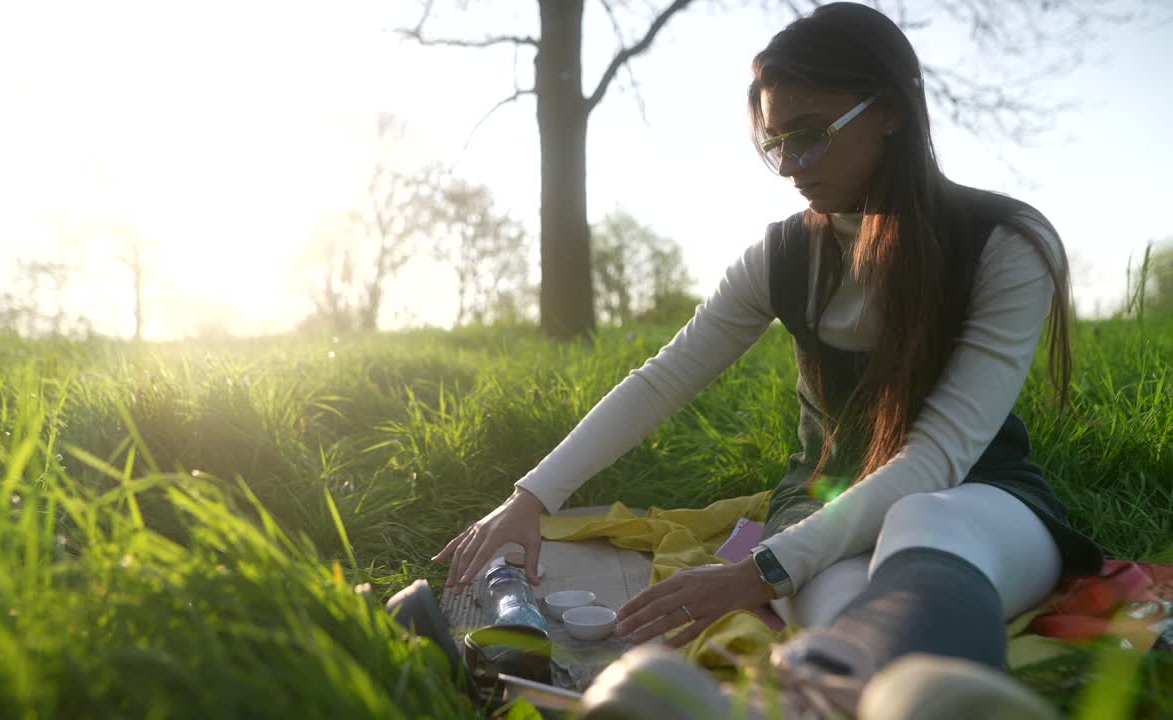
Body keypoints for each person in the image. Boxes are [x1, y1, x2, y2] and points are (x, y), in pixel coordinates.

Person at [433, 2, 1103, 713]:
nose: (789, 167)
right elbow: (663, 379)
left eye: (811, 136)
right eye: (774, 143)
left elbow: (935, 459)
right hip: (821, 512)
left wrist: (761, 571)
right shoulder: (783, 256)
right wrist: (531, 498)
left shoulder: (1005, 244)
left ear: (892, 112)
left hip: (981, 501)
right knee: (845, 602)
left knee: (921, 523)